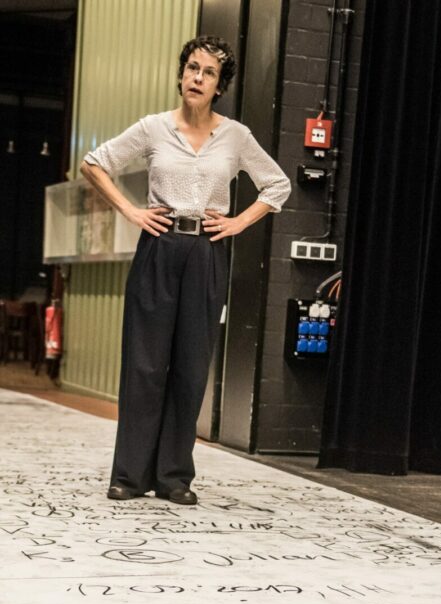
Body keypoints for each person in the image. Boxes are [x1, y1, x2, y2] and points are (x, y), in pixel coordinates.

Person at [80, 35, 291, 505]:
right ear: (181, 74)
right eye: (192, 68)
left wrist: (237, 222)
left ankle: (174, 477)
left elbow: (277, 185)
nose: (198, 77)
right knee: (144, 364)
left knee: (192, 367)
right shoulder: (154, 128)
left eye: (208, 72)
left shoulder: (236, 136)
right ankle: (130, 476)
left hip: (206, 253)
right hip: (158, 246)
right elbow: (94, 164)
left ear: (219, 86)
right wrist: (131, 211)